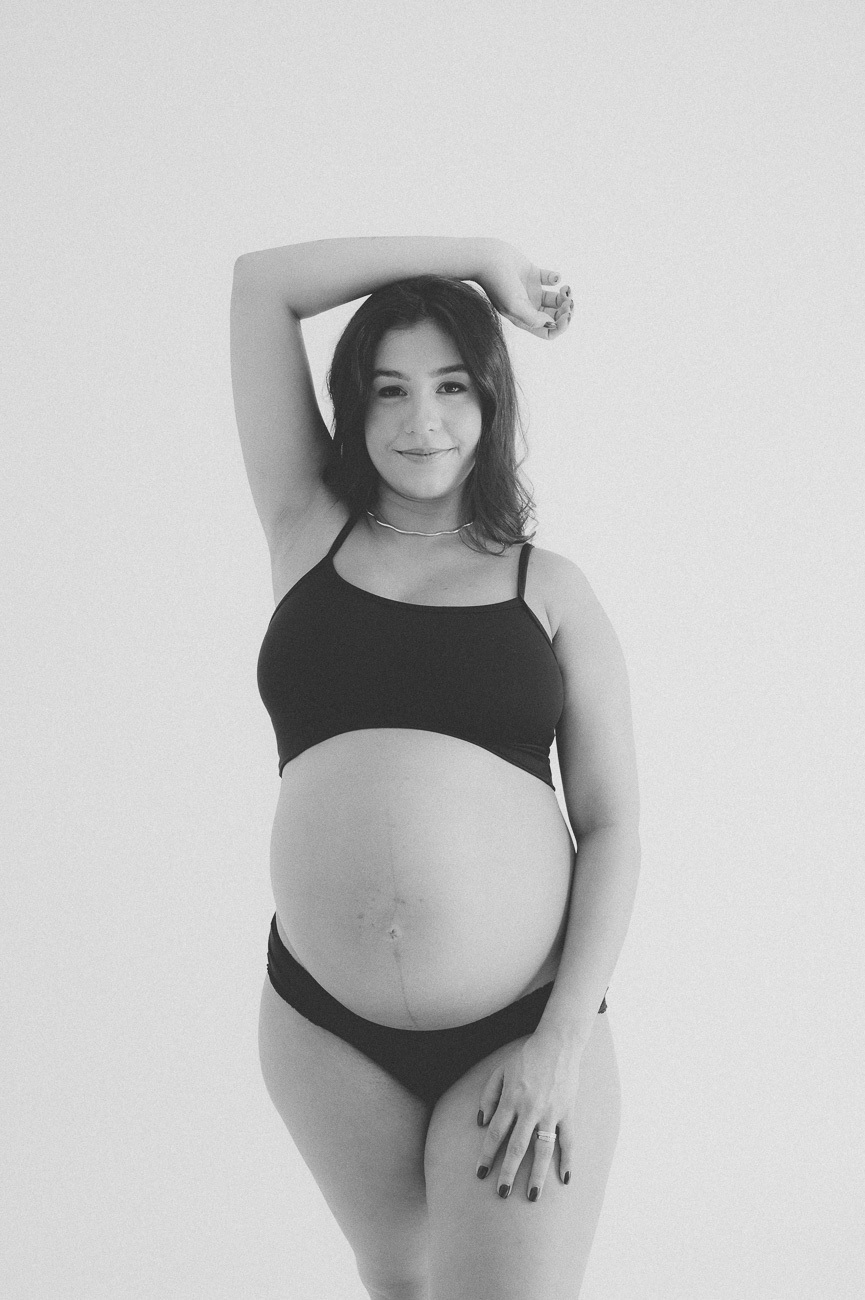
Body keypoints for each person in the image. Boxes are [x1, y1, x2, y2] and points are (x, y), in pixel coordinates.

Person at [230, 236, 641, 1300]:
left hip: (518, 1026)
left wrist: (560, 1043)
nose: (422, 421)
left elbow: (610, 825)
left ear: (491, 400)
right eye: (390, 389)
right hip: (324, 1026)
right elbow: (263, 285)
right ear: (353, 408)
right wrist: (477, 258)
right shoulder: (306, 531)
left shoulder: (549, 589)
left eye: (453, 385)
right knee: (398, 1283)